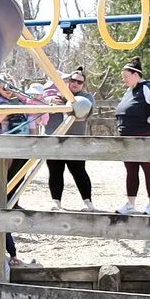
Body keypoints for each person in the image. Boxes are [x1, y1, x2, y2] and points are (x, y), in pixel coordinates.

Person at [44, 68, 97, 209]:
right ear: (67, 81)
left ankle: (88, 202)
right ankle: (56, 202)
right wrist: (49, 101)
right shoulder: (55, 95)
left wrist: (69, 104)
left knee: (79, 171)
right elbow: (38, 104)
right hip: (54, 139)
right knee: (55, 171)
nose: (75, 83)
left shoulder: (86, 98)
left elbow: (86, 112)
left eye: (79, 82)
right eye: (72, 80)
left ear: (83, 85)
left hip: (76, 141)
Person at [117, 61, 150, 214]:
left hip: (144, 137)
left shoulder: (146, 88)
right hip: (126, 138)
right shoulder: (129, 91)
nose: (124, 80)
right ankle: (130, 203)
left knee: (148, 170)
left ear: (136, 75)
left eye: (126, 76)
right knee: (131, 171)